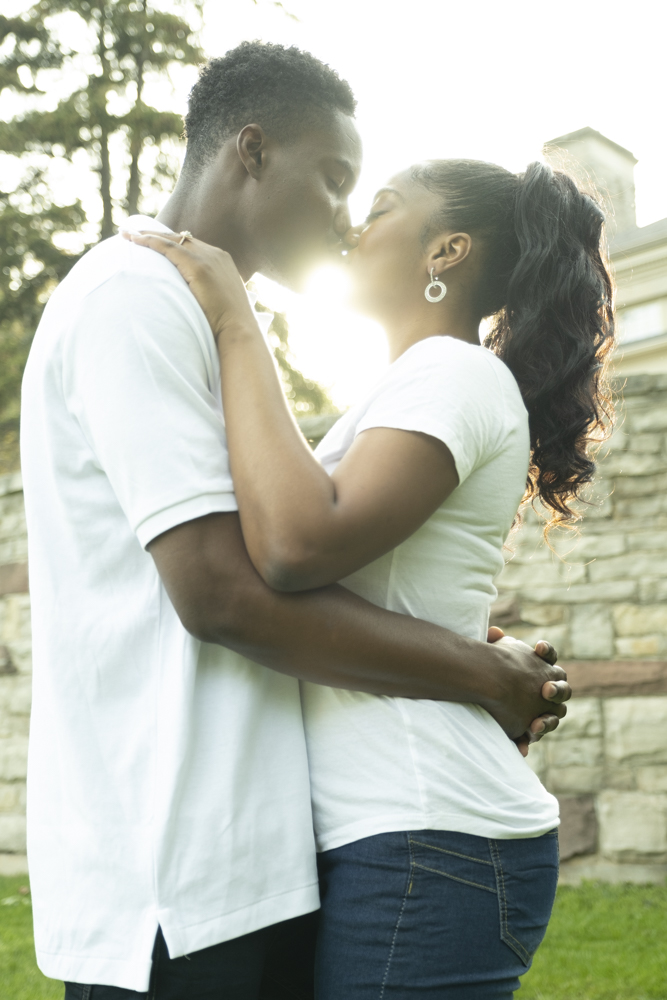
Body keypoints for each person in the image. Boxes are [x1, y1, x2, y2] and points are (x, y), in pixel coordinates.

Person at [22, 42, 569, 1000]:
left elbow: (299, 553)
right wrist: (474, 666)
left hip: (260, 859)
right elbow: (229, 589)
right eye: (333, 179)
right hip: (177, 870)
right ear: (251, 150)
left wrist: (446, 640)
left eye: (367, 194)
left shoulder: (223, 323)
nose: (346, 215)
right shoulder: (135, 294)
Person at [128, 153, 614, 998]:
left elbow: (294, 548)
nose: (358, 222)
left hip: (430, 836)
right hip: (396, 835)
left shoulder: (452, 373)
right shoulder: (408, 384)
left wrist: (237, 320)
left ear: (446, 251)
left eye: (384, 205)